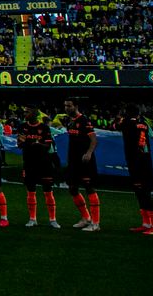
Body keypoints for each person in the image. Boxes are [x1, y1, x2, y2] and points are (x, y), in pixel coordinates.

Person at [114, 104, 153, 236]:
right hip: (145, 159)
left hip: (136, 161)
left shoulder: (127, 123)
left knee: (143, 191)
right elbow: (151, 136)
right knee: (140, 191)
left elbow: (114, 126)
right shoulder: (144, 123)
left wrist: (119, 117)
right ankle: (146, 223)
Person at [18, 105, 60, 228]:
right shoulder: (22, 127)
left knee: (48, 191)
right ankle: (32, 218)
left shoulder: (44, 128)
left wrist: (32, 143)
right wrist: (36, 143)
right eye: (25, 112)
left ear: (35, 113)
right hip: (29, 163)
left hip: (44, 163)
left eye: (28, 112)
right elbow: (20, 144)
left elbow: (47, 145)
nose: (25, 114)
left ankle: (53, 219)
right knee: (31, 191)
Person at [63, 98, 100, 231]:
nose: (66, 108)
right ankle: (86, 217)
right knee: (72, 188)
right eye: (65, 106)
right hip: (73, 161)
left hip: (85, 161)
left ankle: (95, 223)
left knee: (89, 188)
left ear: (76, 106)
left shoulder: (84, 120)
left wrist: (89, 153)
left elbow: (94, 140)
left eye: (69, 106)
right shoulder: (69, 121)